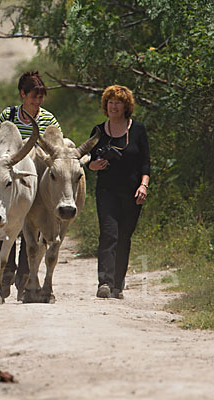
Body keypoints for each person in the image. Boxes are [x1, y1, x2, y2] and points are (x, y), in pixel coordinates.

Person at [0, 71, 61, 298]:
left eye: (40, 97)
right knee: (6, 226)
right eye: (33, 97)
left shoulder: (48, 119)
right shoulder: (8, 116)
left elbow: (56, 149)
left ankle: (25, 277)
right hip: (10, 184)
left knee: (32, 230)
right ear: (22, 94)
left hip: (36, 185)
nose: (37, 101)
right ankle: (5, 273)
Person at [88, 85, 150, 299]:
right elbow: (87, 159)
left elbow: (145, 163)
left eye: (118, 102)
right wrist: (93, 165)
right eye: (110, 102)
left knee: (124, 236)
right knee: (109, 234)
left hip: (132, 192)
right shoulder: (98, 131)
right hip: (107, 191)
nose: (113, 106)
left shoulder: (138, 130)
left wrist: (144, 185)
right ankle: (104, 281)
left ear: (126, 106)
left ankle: (117, 283)